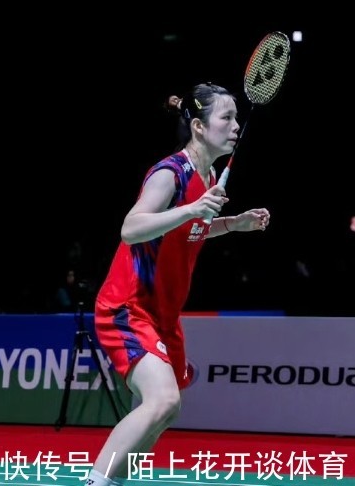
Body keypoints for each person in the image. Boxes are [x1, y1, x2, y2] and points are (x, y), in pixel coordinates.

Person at [88, 84, 271, 486]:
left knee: (165, 411)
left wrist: (232, 224)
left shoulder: (208, 177)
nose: (236, 126)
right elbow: (131, 228)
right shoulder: (170, 173)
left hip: (163, 315)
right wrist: (191, 209)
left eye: (237, 118)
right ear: (199, 127)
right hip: (129, 305)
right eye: (226, 118)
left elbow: (189, 229)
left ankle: (111, 482)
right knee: (163, 400)